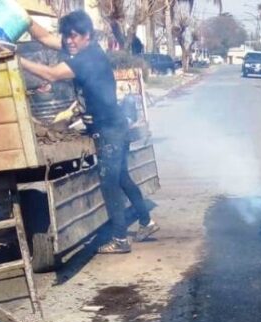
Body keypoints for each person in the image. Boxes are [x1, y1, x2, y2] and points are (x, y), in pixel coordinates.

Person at [19, 10, 159, 254]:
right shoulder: (83, 49)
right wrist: (26, 21)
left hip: (109, 130)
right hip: (114, 126)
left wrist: (16, 60)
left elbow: (51, 74)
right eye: (66, 36)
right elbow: (46, 39)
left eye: (74, 36)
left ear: (88, 36)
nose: (69, 41)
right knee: (121, 177)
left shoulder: (87, 59)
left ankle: (120, 239)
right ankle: (147, 222)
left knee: (109, 183)